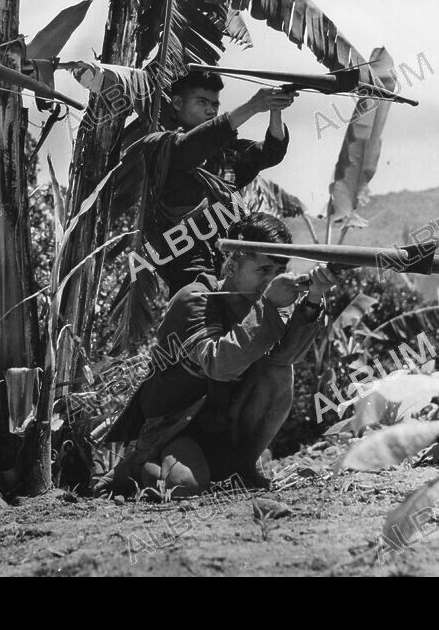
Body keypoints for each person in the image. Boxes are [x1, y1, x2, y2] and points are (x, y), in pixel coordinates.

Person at [97, 213, 340, 496]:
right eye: (263, 270)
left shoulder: (268, 304)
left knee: (278, 370)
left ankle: (243, 466)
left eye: (278, 270)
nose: (271, 279)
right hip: (178, 429)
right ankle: (140, 466)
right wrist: (268, 305)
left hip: (227, 429)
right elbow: (218, 364)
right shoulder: (195, 300)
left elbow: (286, 356)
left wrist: (312, 299)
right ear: (233, 266)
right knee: (183, 487)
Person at [141, 71, 298, 292]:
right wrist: (253, 106)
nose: (211, 110)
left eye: (215, 104)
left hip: (227, 262)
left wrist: (275, 109)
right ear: (177, 103)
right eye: (202, 102)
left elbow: (270, 153)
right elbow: (192, 146)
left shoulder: (225, 154)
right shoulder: (161, 145)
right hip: (188, 262)